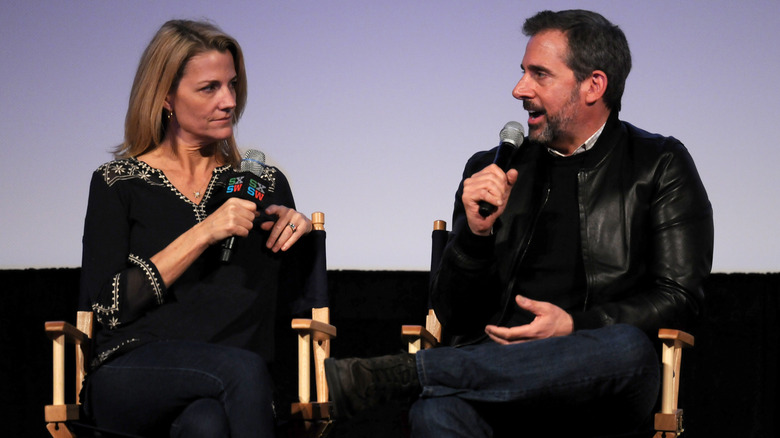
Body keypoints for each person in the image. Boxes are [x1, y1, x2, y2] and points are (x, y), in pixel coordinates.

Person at [324, 9, 713, 437]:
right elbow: (455, 315)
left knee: (627, 348)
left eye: (539, 74)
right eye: (522, 72)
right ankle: (426, 376)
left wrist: (573, 326)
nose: (518, 89)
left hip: (601, 388)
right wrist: (476, 236)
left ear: (593, 85)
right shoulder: (491, 169)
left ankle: (409, 373)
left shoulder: (659, 163)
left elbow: (679, 297)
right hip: (499, 377)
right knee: (434, 416)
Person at [79, 19, 316, 437]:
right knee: (239, 373)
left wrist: (296, 237)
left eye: (233, 85)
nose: (229, 101)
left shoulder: (262, 184)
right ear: (166, 97)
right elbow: (108, 306)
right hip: (134, 369)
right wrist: (204, 231)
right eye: (209, 88)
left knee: (207, 423)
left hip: (234, 379)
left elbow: (284, 307)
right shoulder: (118, 182)